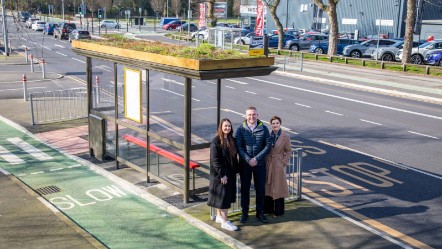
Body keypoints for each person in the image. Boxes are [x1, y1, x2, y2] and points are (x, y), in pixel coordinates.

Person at [235, 106, 272, 223]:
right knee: (245, 190)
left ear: (257, 115)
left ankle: (260, 213)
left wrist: (256, 158)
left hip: (259, 165)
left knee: (260, 190)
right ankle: (244, 213)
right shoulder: (240, 129)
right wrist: (247, 159)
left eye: (254, 114)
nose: (252, 117)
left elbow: (268, 145)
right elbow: (238, 146)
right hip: (245, 165)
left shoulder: (264, 128)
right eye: (250, 115)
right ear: (246, 116)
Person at [207, 118, 239, 231]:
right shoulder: (216, 142)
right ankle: (225, 222)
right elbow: (215, 160)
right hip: (220, 175)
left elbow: (234, 158)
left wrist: (236, 170)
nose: (227, 128)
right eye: (225, 126)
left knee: (223, 196)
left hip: (229, 173)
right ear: (221, 127)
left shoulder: (231, 140)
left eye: (229, 126)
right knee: (223, 198)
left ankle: (219, 216)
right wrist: (222, 175)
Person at [264, 116, 291, 217]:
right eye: (273, 123)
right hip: (268, 162)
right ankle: (268, 209)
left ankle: (279, 211)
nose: (275, 125)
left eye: (277, 123)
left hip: (278, 164)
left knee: (278, 187)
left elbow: (288, 151)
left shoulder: (285, 136)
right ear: (271, 125)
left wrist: (283, 162)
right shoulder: (268, 135)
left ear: (280, 124)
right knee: (268, 186)